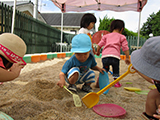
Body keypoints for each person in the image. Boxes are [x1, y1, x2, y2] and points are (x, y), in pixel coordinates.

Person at [131, 36, 160, 120]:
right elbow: (152, 80)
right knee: (153, 94)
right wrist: (138, 71)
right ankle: (151, 117)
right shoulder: (158, 81)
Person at [96, 19, 130, 88]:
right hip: (115, 57)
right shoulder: (122, 37)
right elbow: (125, 48)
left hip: (105, 56)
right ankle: (116, 82)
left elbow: (99, 45)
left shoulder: (106, 36)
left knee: (105, 69)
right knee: (115, 69)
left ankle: (100, 80)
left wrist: (98, 51)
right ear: (122, 29)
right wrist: (127, 57)